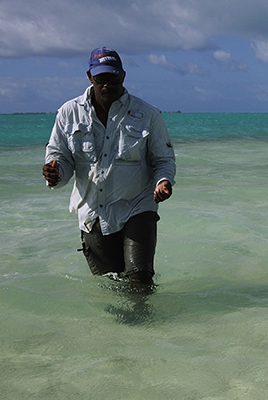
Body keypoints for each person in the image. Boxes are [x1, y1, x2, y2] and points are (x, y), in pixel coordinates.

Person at [42, 48, 176, 294]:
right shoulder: (68, 113)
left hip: (138, 204)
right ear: (89, 77)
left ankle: (149, 328)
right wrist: (56, 173)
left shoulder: (148, 114)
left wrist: (164, 181)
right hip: (93, 209)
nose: (107, 85)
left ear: (123, 77)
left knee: (141, 277)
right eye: (101, 79)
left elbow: (163, 159)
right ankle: (123, 331)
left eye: (113, 79)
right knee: (111, 284)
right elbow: (60, 157)